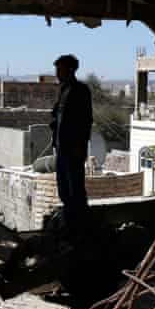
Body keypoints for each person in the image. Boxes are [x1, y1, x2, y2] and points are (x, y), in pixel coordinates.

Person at [49, 54, 93, 233]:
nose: (57, 73)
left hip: (73, 150)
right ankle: (69, 223)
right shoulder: (64, 90)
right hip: (62, 148)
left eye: (60, 69)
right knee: (64, 189)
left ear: (71, 70)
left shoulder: (80, 90)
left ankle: (79, 226)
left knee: (75, 189)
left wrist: (79, 146)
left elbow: (85, 121)